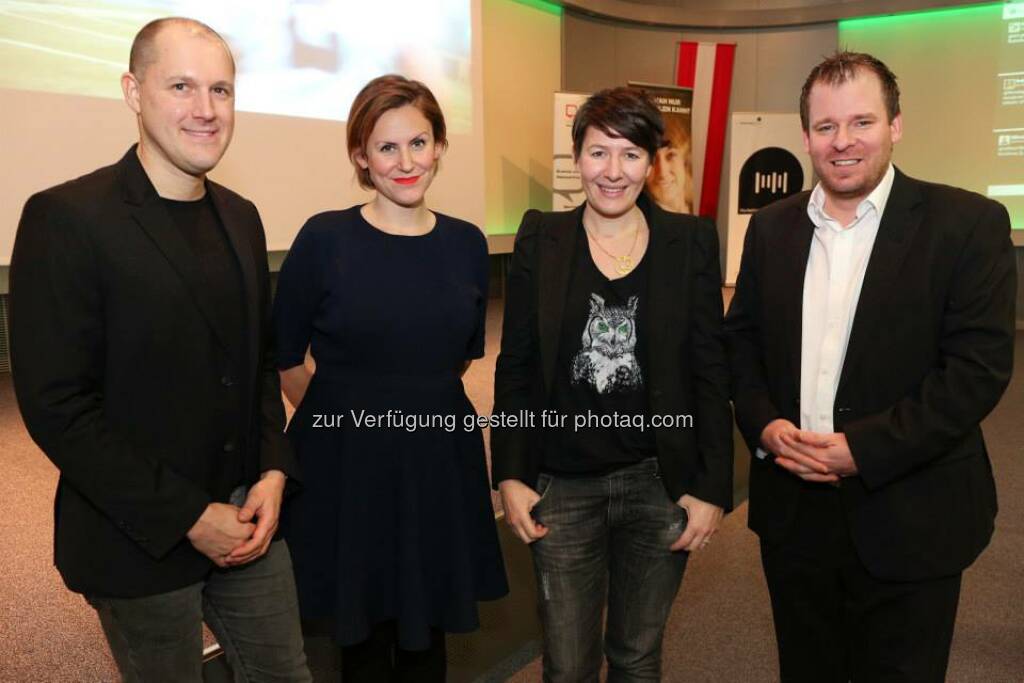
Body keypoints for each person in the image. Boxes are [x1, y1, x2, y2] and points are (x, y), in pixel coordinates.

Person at [9, 17, 311, 683]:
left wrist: (271, 471)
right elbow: (58, 407)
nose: (206, 110)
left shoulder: (241, 214)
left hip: (249, 514)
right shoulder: (66, 218)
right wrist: (188, 516)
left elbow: (259, 363)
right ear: (133, 91)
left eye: (222, 90)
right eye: (182, 86)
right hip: (136, 536)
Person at [725, 51, 1016, 682]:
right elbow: (740, 344)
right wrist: (765, 427)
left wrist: (864, 449)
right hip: (794, 516)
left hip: (912, 513)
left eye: (862, 122)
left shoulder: (968, 225)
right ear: (805, 136)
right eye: (826, 127)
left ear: (896, 125)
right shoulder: (772, 229)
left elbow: (977, 370)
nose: (843, 142)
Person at [492, 87, 734, 682]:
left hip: (658, 482)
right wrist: (510, 474)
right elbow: (516, 365)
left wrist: (712, 487)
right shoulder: (539, 238)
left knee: (636, 655)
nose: (613, 171)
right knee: (569, 665)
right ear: (578, 157)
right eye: (599, 152)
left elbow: (710, 367)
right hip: (562, 486)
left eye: (630, 155)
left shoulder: (690, 242)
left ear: (652, 163)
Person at [273, 74, 508, 683]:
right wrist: (341, 415)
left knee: (429, 630)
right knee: (362, 634)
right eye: (387, 147)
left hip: (437, 455)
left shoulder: (466, 243)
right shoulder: (325, 238)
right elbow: (283, 354)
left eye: (419, 143)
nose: (406, 162)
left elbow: (456, 357)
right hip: (347, 460)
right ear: (360, 156)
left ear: (439, 147)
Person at [645, 113, 693, 214]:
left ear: (685, 161)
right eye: (653, 158)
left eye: (670, 156)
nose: (662, 172)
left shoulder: (702, 226)